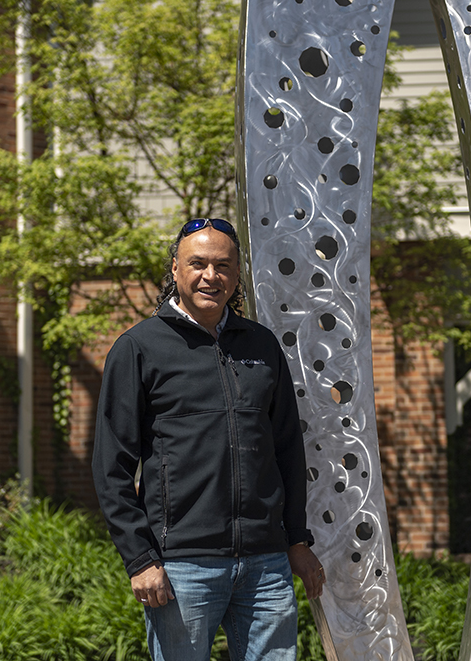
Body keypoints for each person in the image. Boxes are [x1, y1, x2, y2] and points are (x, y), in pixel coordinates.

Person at [92, 218, 325, 661]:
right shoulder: (138, 348)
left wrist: (296, 538)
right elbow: (111, 467)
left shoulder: (262, 345)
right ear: (175, 270)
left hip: (266, 564)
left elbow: (288, 450)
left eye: (223, 265)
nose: (210, 276)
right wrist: (140, 558)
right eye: (197, 263)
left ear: (237, 275)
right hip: (182, 566)